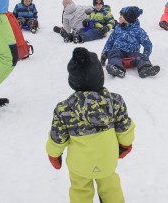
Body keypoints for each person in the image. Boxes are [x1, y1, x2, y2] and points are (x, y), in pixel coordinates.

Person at [46, 47, 135, 203]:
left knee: (80, 190)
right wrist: (126, 144)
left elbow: (57, 137)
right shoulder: (115, 102)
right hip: (106, 160)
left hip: (79, 164)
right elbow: (124, 128)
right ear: (100, 78)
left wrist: (54, 154)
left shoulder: (64, 109)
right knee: (110, 187)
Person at [100, 6, 160, 79]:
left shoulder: (138, 31)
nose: (119, 18)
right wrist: (104, 53)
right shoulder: (118, 28)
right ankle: (117, 68)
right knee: (112, 53)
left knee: (140, 57)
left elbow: (148, 44)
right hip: (118, 53)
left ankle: (145, 68)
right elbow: (110, 41)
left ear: (127, 19)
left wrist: (145, 56)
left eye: (121, 16)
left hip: (132, 56)